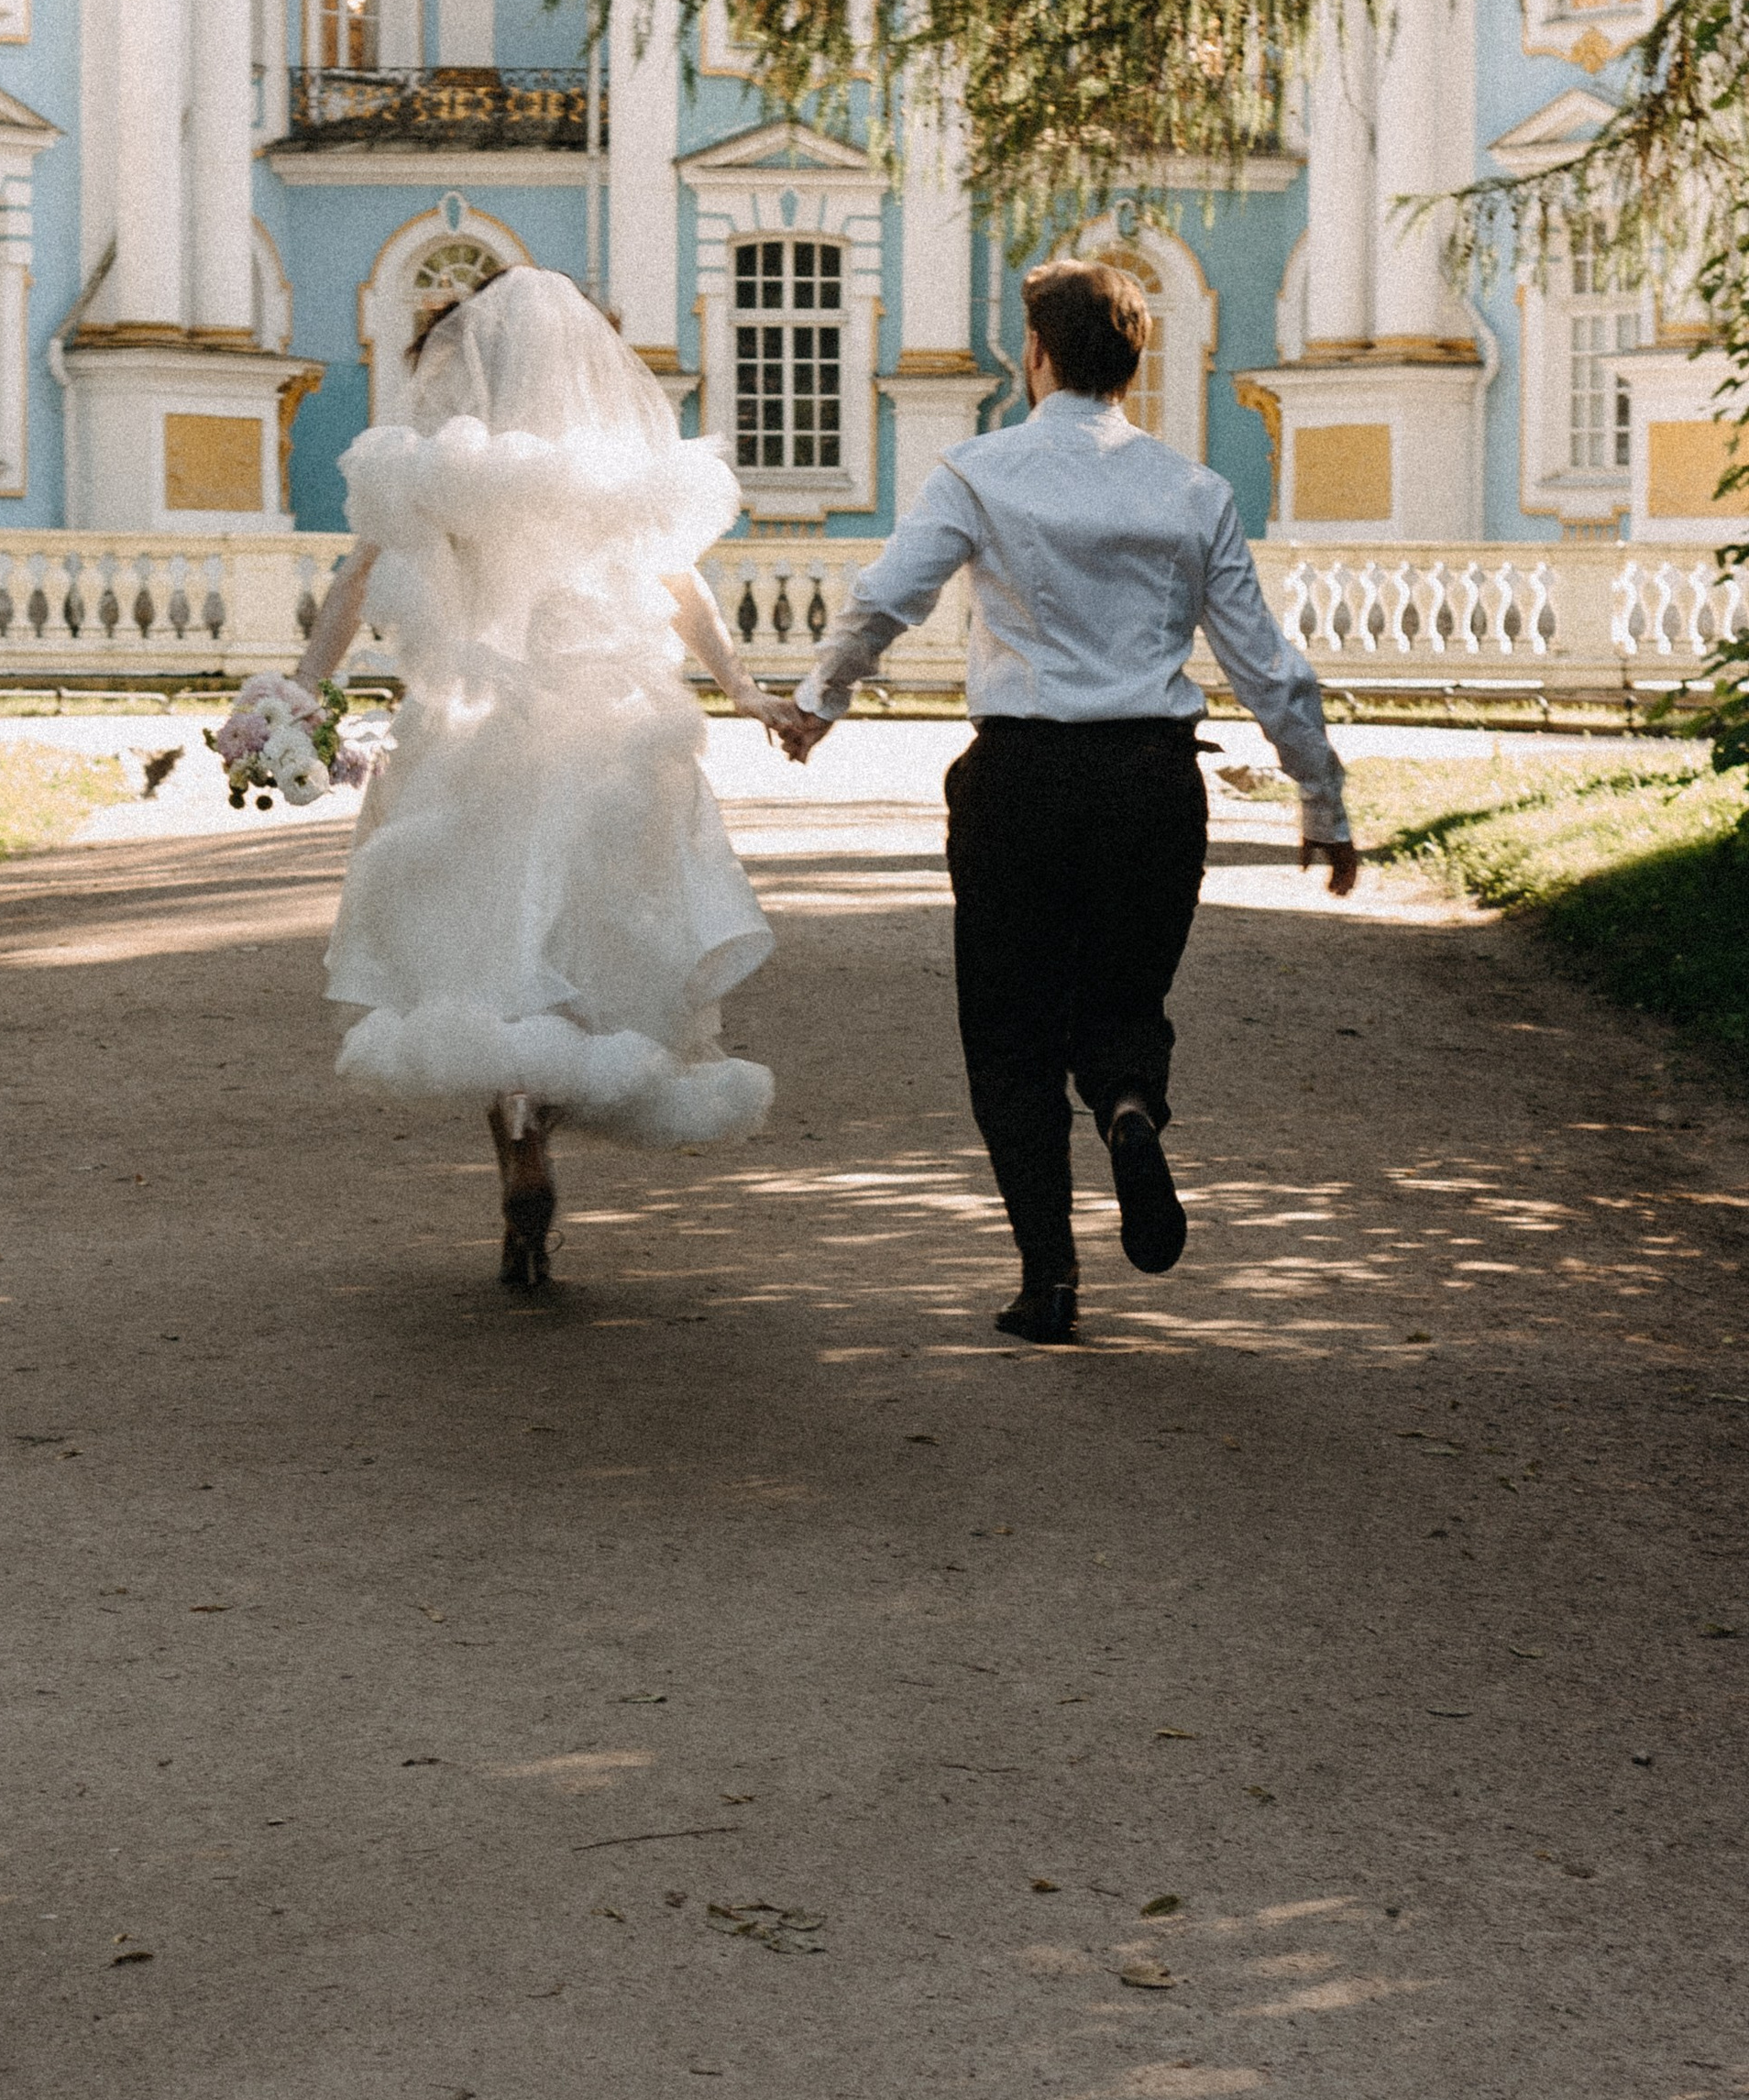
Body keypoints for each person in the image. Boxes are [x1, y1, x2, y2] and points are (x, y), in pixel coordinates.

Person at [787, 257, 1361, 1345]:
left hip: (1019, 783)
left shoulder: (977, 471)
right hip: (1151, 782)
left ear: (1034, 355)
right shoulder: (1194, 491)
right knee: (1122, 1000)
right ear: (1133, 364)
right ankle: (1130, 1108)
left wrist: (820, 702)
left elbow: (886, 600)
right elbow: (1264, 664)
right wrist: (1320, 802)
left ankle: (1048, 1278)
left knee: (1009, 1034)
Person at [293, 266, 803, 1289]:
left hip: (471, 727)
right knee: (595, 940)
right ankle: (556, 1105)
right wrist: (744, 691)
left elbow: (357, 580)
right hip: (604, 734)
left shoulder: (438, 469)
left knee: (479, 944)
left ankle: (516, 1141)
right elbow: (679, 586)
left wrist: (299, 693)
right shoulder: (613, 468)